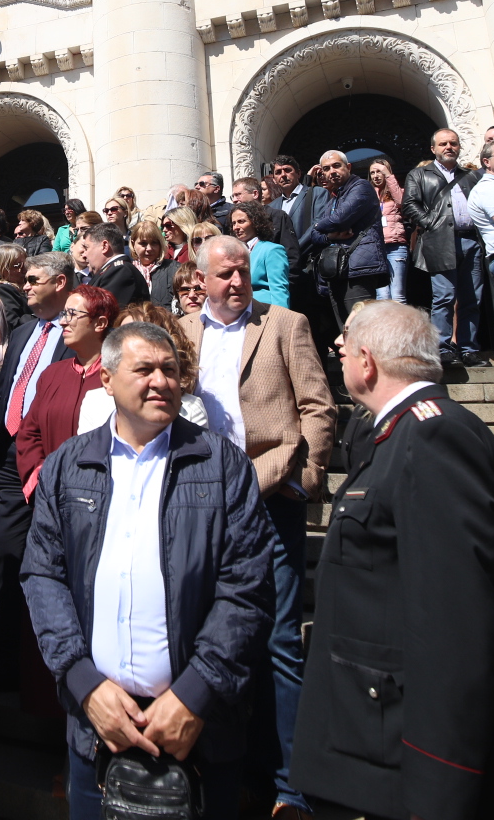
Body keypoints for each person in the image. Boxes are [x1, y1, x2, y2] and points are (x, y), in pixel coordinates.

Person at [293, 303, 494, 820]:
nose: (337, 356)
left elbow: (454, 627)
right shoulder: (393, 435)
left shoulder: (432, 436)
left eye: (343, 348)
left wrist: (437, 791)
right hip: (376, 731)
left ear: (367, 362)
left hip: (417, 759)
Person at [21, 322, 276, 820]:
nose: (161, 380)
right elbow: (42, 577)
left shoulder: (222, 465)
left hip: (197, 736)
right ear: (107, 380)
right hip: (96, 735)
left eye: (171, 370)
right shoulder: (67, 467)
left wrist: (197, 692)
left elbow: (248, 587)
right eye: (144, 369)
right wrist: (82, 683)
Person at [179, 236, 334, 818]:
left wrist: (307, 476)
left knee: (277, 642)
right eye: (224, 273)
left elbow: (318, 405)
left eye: (242, 270)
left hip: (271, 496)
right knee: (209, 637)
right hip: (200, 503)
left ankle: (292, 786)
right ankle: (229, 768)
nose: (236, 281)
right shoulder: (182, 332)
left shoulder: (284, 324)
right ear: (201, 279)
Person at [0, 252, 74, 693]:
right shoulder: (21, 331)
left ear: (61, 282)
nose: (25, 286)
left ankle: (49, 664)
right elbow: (9, 388)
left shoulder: (79, 334)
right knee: (1, 555)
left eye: (34, 280)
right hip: (7, 459)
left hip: (55, 461)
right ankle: (1, 656)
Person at [15, 285, 115, 497]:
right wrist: (39, 477)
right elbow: (29, 433)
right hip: (50, 498)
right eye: (63, 314)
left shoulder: (119, 378)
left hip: (102, 499)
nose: (62, 322)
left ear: (100, 323)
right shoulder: (52, 374)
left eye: (72, 314)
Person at [403, 129, 488, 367]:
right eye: (443, 144)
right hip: (439, 243)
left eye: (453, 143)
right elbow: (409, 204)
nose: (448, 147)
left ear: (459, 147)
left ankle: (469, 349)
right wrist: (430, 224)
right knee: (444, 296)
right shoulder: (419, 174)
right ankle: (443, 348)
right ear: (433, 149)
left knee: (472, 298)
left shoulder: (471, 177)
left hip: (471, 241)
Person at [299, 151, 385, 330]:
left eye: (336, 166)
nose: (332, 171)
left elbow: (339, 219)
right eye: (326, 169)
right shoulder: (334, 197)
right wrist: (329, 235)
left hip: (359, 269)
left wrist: (318, 227)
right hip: (337, 270)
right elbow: (315, 236)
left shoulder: (361, 187)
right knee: (346, 329)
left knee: (362, 329)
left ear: (348, 167)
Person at [229, 202, 290, 307]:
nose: (236, 227)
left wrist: (280, 319)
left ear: (255, 222)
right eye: (234, 223)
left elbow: (279, 289)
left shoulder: (272, 250)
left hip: (264, 310)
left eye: (241, 222)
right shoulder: (233, 252)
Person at [367, 157, 409, 303]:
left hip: (395, 246)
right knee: (382, 297)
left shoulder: (397, 191)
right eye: (372, 173)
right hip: (376, 248)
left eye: (380, 171)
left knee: (397, 295)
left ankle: (401, 326)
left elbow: (402, 202)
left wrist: (390, 177)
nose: (376, 176)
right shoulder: (369, 193)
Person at [73, 224, 144, 308]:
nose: (85, 254)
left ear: (104, 246)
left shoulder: (120, 271)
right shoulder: (110, 271)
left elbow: (105, 313)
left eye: (87, 248)